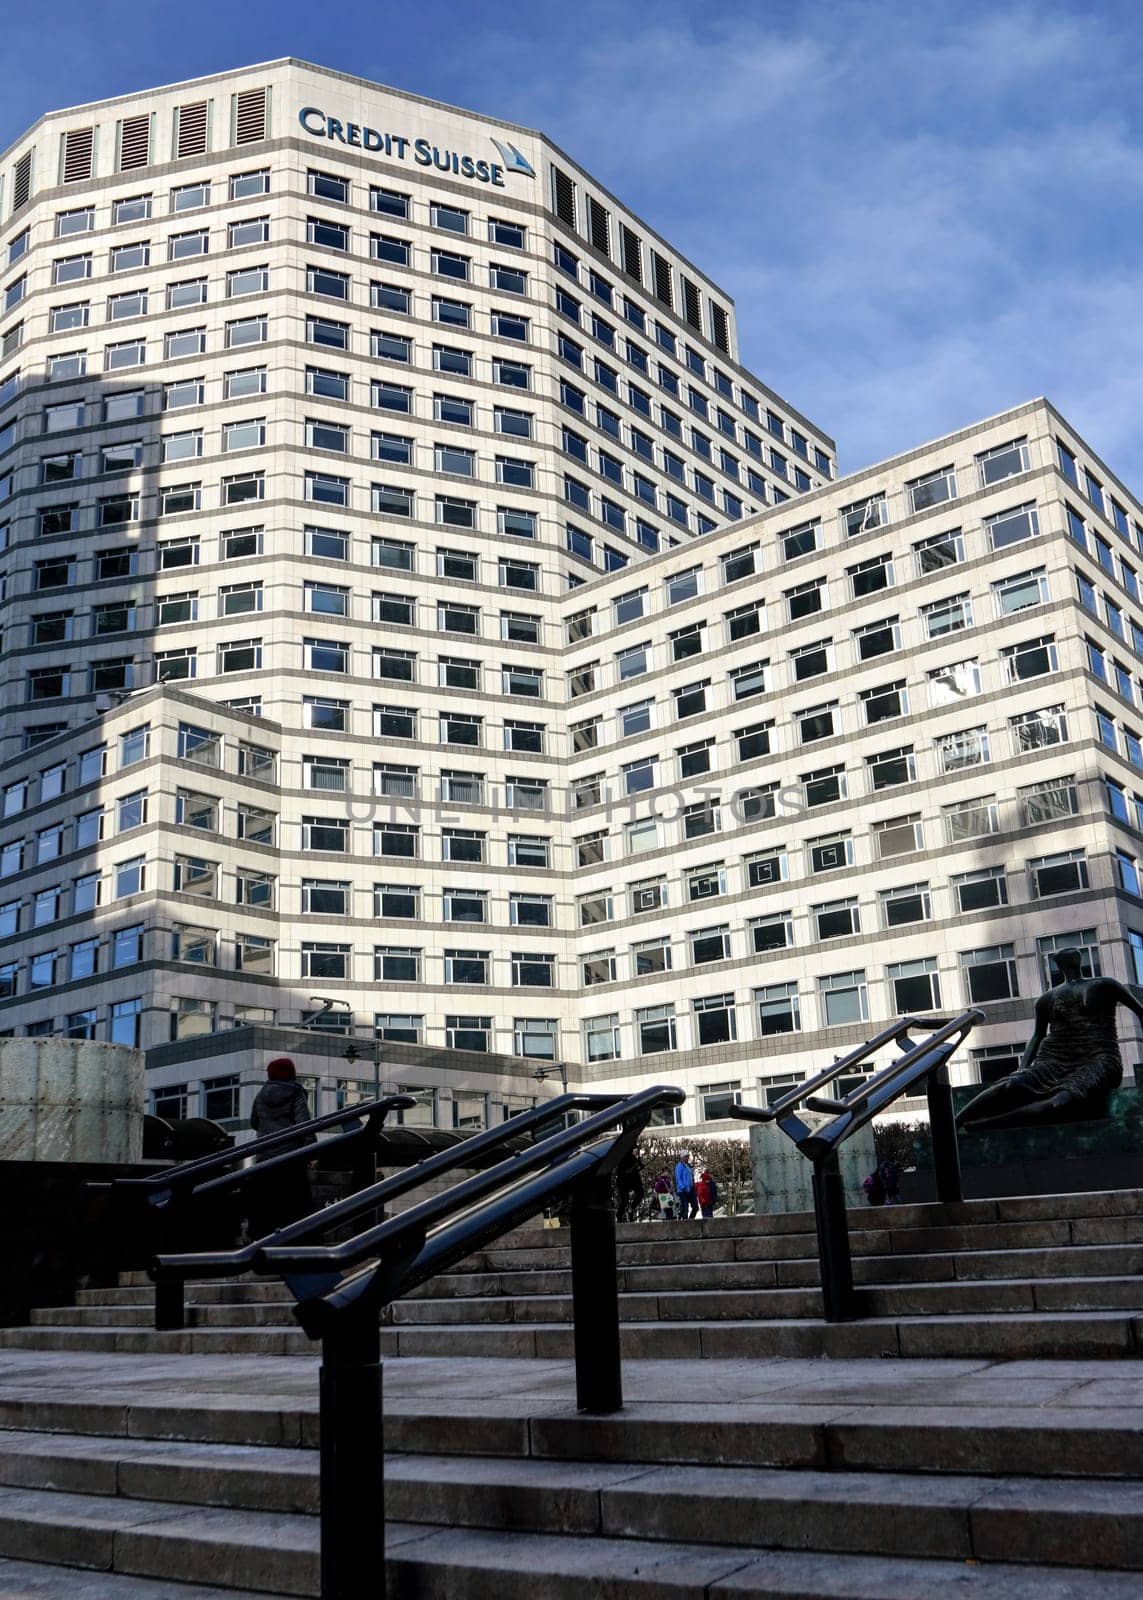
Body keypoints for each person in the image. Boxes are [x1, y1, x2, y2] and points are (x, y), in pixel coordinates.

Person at [958, 947, 1143, 1130]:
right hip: (1055, 1060)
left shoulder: (1104, 985)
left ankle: (989, 1124)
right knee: (1011, 1084)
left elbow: (1140, 1012)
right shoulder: (1047, 999)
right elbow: (1038, 1035)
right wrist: (1022, 1069)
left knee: (1059, 1101)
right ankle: (953, 1123)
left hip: (1098, 1058)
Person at [247, 1058, 317, 1237]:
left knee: (266, 1204)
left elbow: (254, 1122)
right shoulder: (295, 1092)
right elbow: (304, 1125)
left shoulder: (261, 1094)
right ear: (291, 1074)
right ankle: (299, 1240)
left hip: (265, 1158)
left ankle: (262, 1239)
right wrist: (311, 1151)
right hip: (290, 1158)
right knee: (296, 1205)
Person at [674, 1151, 698, 1220]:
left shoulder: (688, 1166)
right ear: (682, 1157)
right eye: (686, 1156)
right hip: (683, 1191)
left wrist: (693, 1186)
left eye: (688, 1156)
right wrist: (683, 1187)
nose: (687, 1158)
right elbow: (678, 1178)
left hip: (690, 1189)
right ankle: (684, 1222)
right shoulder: (679, 1166)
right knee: (685, 1209)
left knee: (695, 1207)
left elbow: (691, 1178)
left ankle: (690, 1220)